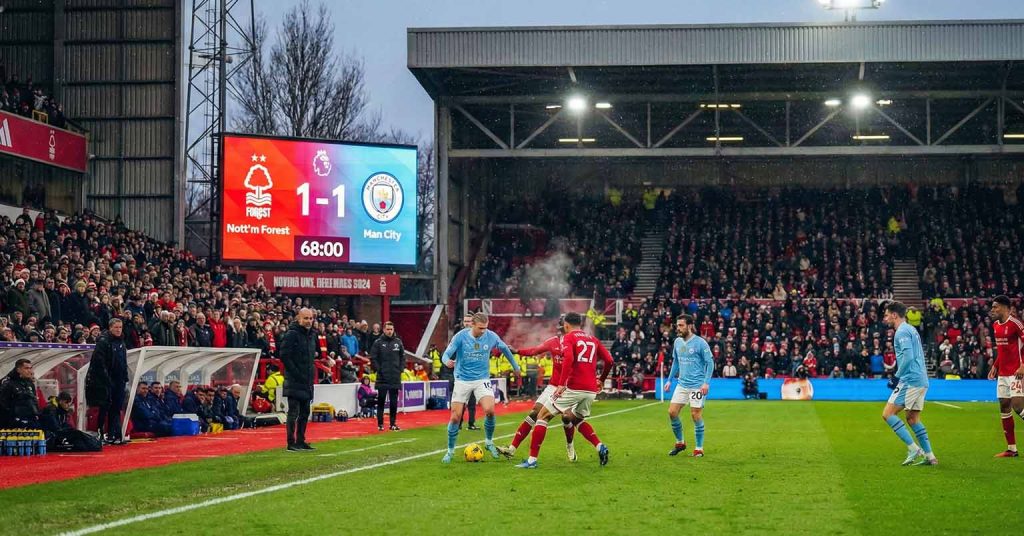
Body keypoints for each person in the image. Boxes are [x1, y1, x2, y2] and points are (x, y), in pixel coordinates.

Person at [515, 312, 612, 469]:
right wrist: (601, 379)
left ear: (566, 325)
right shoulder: (593, 340)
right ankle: (600, 446)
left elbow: (569, 359)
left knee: (542, 416)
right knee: (576, 419)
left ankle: (532, 460)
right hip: (590, 390)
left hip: (574, 386)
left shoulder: (569, 337)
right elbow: (609, 360)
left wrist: (561, 384)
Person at [440, 312, 521, 463]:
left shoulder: (491, 336)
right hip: (462, 380)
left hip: (482, 379)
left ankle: (489, 442)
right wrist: (446, 362)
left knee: (490, 410)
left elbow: (504, 349)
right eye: (480, 328)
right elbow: (446, 354)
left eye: (485, 328)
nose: (483, 331)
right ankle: (450, 451)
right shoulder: (460, 336)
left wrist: (515, 366)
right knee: (455, 417)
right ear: (472, 325)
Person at [498, 317, 579, 461]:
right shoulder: (553, 342)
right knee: (535, 412)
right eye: (559, 328)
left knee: (566, 417)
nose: (560, 331)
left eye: (562, 327)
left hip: (570, 387)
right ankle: (512, 449)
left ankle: (570, 445)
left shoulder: (575, 343)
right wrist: (517, 351)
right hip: (553, 385)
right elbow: (535, 350)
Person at [882, 301, 937, 466]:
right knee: (912, 419)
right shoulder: (911, 329)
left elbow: (908, 357)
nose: (885, 319)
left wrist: (897, 376)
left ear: (894, 314)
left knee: (888, 414)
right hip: (921, 379)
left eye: (886, 315)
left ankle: (913, 448)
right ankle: (930, 456)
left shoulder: (902, 332)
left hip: (910, 379)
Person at [663, 314, 714, 458]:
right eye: (677, 325)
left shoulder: (700, 343)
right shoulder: (677, 342)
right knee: (672, 412)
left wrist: (706, 382)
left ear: (689, 326)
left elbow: (710, 363)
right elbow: (676, 362)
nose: (678, 328)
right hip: (682, 384)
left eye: (681, 325)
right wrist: (669, 380)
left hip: (697, 385)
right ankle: (680, 443)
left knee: (695, 415)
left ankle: (699, 448)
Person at [988, 295, 1024, 457]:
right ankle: (1012, 449)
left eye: (995, 307)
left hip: (1017, 372)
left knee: (1018, 407)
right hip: (1003, 373)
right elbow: (1002, 350)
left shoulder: (1015, 324)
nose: (992, 310)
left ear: (1004, 308)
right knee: (1004, 406)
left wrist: (1023, 366)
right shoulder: (996, 325)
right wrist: (995, 366)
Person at [279, 308, 316, 451]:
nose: (308, 321)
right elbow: (284, 355)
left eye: (311, 318)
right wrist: (295, 372)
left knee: (305, 412)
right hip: (294, 379)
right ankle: (291, 442)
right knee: (293, 412)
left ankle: (301, 440)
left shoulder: (312, 335)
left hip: (306, 380)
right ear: (298, 319)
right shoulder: (292, 334)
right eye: (306, 318)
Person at [86, 318, 128, 444]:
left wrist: (125, 377)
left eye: (120, 327)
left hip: (119, 380)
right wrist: (106, 379)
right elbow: (99, 362)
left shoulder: (121, 342)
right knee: (104, 407)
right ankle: (100, 433)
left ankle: (114, 435)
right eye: (116, 327)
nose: (118, 330)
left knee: (116, 407)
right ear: (110, 328)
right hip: (106, 380)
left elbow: (123, 361)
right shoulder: (104, 342)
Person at [370, 321, 405, 431]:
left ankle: (393, 424)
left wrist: (400, 369)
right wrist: (379, 370)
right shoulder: (378, 343)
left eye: (391, 329)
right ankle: (380, 424)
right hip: (382, 377)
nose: (389, 331)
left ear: (393, 330)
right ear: (384, 330)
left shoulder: (398, 342)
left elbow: (402, 357)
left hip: (395, 376)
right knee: (381, 401)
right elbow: (373, 358)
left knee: (394, 402)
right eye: (387, 329)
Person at [0, 358, 40, 428]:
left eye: (30, 368)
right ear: (18, 370)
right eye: (26, 368)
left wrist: (37, 414)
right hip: (13, 424)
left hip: (31, 421)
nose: (29, 371)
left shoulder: (30, 384)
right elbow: (3, 404)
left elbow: (34, 401)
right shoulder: (9, 384)